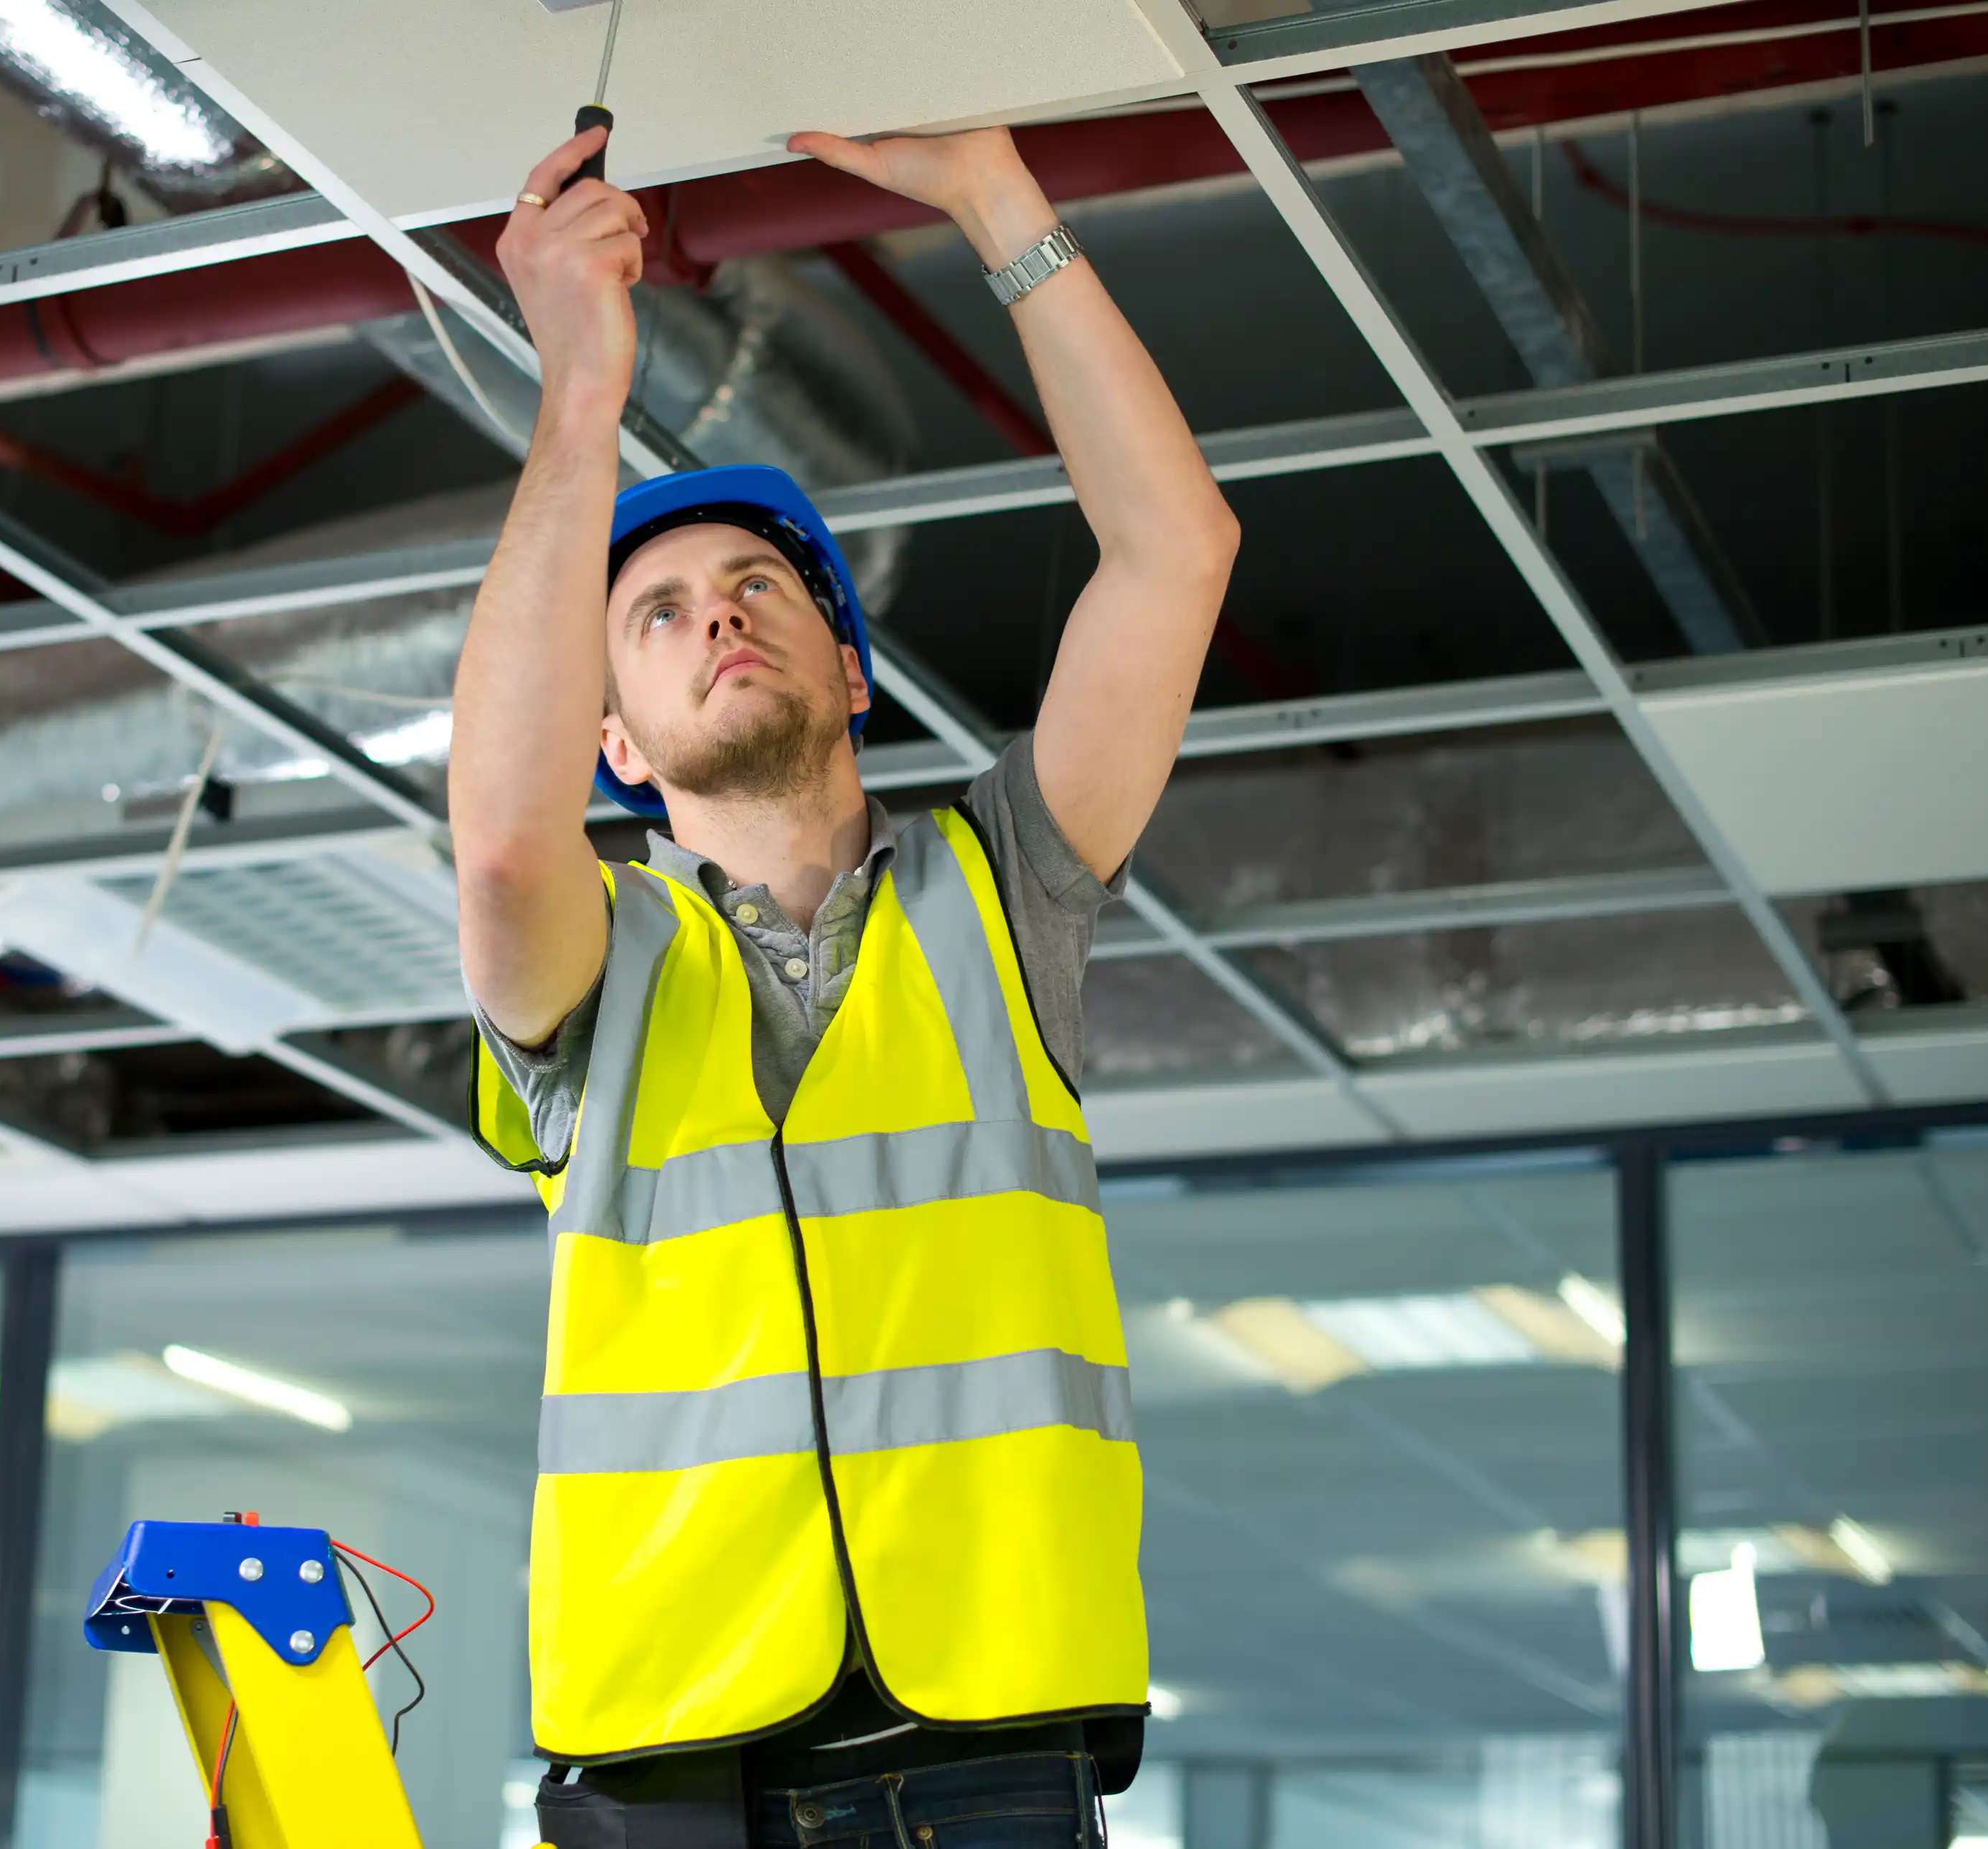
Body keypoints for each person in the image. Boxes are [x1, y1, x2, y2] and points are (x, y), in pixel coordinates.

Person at [455, 117, 1240, 1849]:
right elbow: (502, 849)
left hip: (992, 1742)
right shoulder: (596, 962)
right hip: (675, 1755)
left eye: (757, 585)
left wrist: (996, 200)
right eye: (657, 615)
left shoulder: (1004, 890)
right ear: (614, 743)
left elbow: (1177, 553)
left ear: (851, 664)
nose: (719, 616)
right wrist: (580, 392)